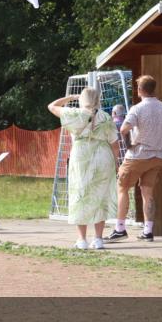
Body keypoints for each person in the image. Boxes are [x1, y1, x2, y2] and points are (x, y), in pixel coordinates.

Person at [107, 75, 162, 243]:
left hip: (137, 155)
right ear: (153, 89)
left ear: (140, 90)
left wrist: (128, 146)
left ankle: (120, 228)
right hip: (157, 155)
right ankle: (148, 231)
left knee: (122, 188)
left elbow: (124, 130)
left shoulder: (137, 109)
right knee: (147, 192)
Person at [48, 88, 120, 249]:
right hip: (103, 156)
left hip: (81, 156)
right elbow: (115, 144)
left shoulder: (74, 114)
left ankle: (81, 240)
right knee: (100, 196)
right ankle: (99, 239)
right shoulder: (106, 117)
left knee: (80, 194)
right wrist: (115, 163)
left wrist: (71, 97)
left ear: (82, 99)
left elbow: (51, 106)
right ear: (98, 100)